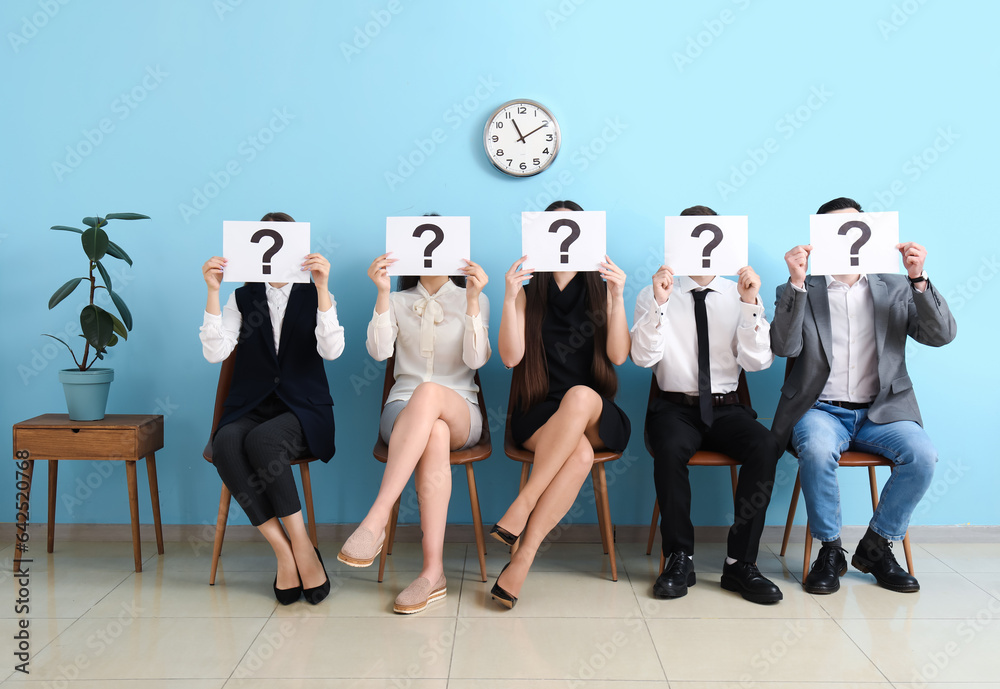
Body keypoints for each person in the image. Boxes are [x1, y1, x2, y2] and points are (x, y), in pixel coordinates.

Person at [771, 197, 957, 594]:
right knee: (819, 451)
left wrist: (919, 279)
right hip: (820, 409)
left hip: (883, 411)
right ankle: (830, 549)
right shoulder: (802, 288)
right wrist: (796, 284)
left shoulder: (894, 286)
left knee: (922, 455)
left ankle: (877, 545)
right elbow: (783, 348)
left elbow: (940, 335)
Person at [631, 205, 783, 604]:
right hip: (674, 407)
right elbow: (643, 359)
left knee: (766, 445)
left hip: (727, 407)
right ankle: (679, 556)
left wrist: (750, 304)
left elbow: (758, 362)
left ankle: (740, 564)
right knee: (668, 448)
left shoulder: (741, 295)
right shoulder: (653, 293)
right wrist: (660, 305)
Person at [338, 229, 491, 615]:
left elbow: (476, 361)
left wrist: (472, 301)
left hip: (462, 411)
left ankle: (376, 518)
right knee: (432, 429)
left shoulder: (476, 297)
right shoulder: (399, 300)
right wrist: (383, 295)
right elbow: (378, 352)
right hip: (402, 414)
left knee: (430, 395)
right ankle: (432, 572)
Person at [489, 200, 631, 609]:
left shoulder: (601, 291)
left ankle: (523, 504)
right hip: (540, 416)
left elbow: (620, 356)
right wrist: (509, 296)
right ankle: (523, 560)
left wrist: (618, 296)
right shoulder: (529, 293)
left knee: (581, 395)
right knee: (580, 456)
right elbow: (511, 358)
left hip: (597, 414)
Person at [200, 211, 344, 606]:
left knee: (264, 441)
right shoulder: (242, 297)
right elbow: (215, 353)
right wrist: (213, 290)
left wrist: (324, 288)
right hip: (250, 405)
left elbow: (332, 350)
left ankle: (302, 545)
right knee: (227, 442)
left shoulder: (314, 293)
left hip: (303, 409)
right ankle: (284, 551)